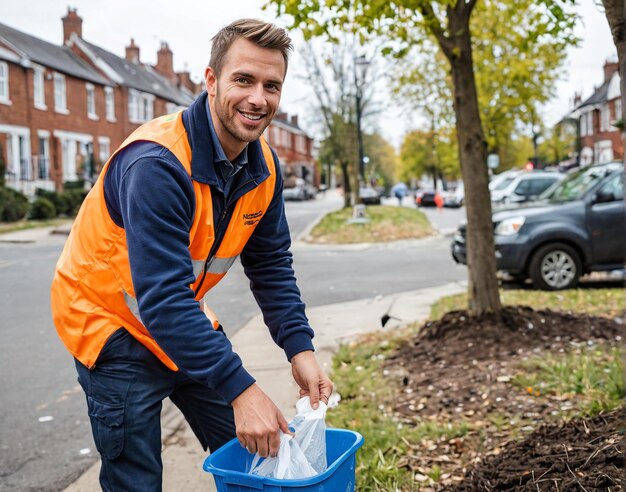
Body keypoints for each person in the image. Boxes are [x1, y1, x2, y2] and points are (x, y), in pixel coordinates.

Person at [50, 19, 333, 491]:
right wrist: (242, 388)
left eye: (271, 85)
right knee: (137, 479)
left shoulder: (263, 165)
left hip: (179, 318)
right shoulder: (157, 164)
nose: (258, 98)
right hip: (109, 323)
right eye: (243, 80)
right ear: (210, 81)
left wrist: (299, 348)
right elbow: (160, 299)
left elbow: (270, 264)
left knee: (257, 448)